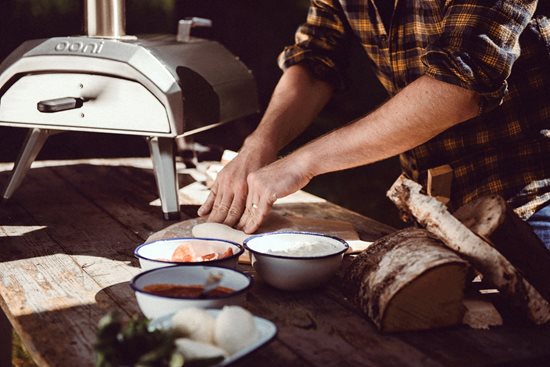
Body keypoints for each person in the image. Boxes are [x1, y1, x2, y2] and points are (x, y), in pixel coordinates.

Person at [198, 1, 550, 249]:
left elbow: (458, 87)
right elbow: (316, 59)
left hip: (531, 207)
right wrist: (260, 144)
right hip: (434, 214)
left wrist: (302, 162)